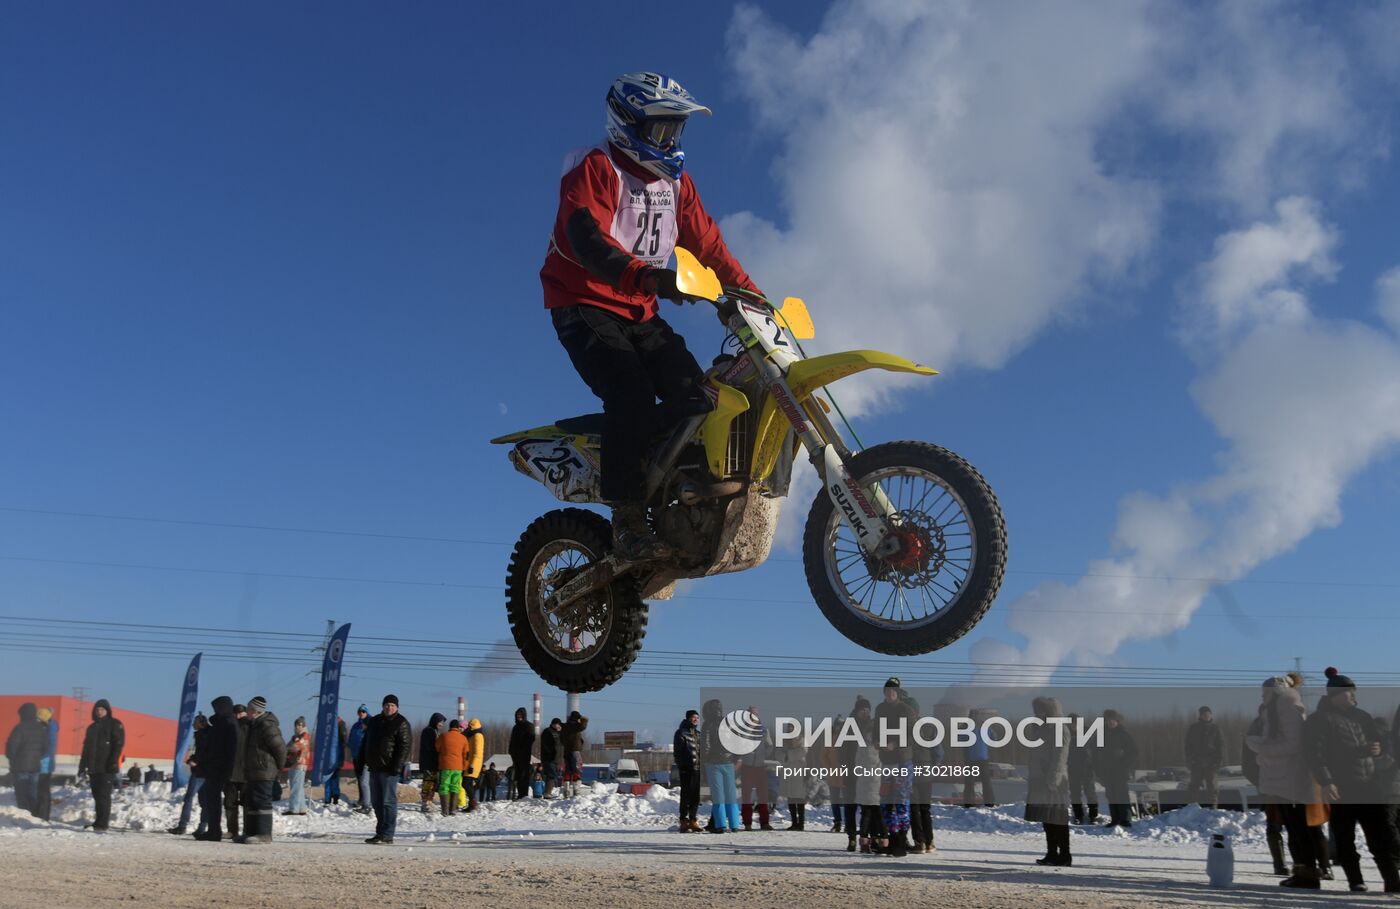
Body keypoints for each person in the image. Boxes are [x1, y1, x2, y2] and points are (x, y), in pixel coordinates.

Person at [541, 72, 763, 561]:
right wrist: (646, 277)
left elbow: (709, 247)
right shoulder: (594, 168)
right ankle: (625, 517)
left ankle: (677, 493)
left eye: (676, 131)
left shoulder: (675, 184)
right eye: (661, 130)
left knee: (696, 394)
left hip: (640, 310)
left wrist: (753, 298)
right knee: (631, 393)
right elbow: (588, 242)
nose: (670, 141)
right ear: (627, 124)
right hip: (582, 305)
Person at [1305, 667, 1400, 893]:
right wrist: (1327, 781)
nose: (1354, 697)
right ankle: (1355, 880)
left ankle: (1392, 879)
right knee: (1345, 837)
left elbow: (1381, 743)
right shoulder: (1320, 720)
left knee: (1380, 836)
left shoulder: (1363, 716)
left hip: (1369, 785)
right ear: (1335, 695)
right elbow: (1316, 756)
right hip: (1341, 787)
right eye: (1349, 693)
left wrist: (1378, 750)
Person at [1026, 696, 1072, 867]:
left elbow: (1060, 756)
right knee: (1047, 819)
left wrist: (1054, 777)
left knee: (1058, 819)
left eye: (1041, 711)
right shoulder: (1040, 728)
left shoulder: (1060, 729)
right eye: (1037, 712)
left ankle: (1065, 855)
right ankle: (1052, 852)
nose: (1038, 714)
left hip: (1055, 780)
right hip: (1040, 779)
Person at [874, 678, 916, 856]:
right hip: (886, 760)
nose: (890, 694)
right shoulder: (880, 709)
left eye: (893, 691)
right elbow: (876, 728)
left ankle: (902, 840)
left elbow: (912, 734)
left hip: (902, 760)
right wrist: (876, 741)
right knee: (885, 802)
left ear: (898, 693)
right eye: (887, 691)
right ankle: (892, 838)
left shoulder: (905, 710)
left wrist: (896, 744)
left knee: (900, 802)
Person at [362, 695, 412, 844]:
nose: (389, 708)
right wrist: (361, 760)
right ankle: (380, 832)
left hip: (390, 769)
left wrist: (397, 766)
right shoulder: (374, 721)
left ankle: (388, 833)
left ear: (396, 707)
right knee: (376, 802)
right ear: (382, 706)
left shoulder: (401, 722)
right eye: (386, 705)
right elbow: (366, 742)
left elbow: (405, 746)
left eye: (392, 705)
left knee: (388, 802)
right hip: (374, 767)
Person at [239, 696, 287, 844]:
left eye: (248, 708)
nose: (246, 711)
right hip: (253, 770)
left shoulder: (267, 725)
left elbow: (280, 748)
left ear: (255, 710)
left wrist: (278, 767)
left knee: (262, 802)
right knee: (251, 801)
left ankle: (264, 833)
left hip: (264, 770)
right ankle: (250, 832)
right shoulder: (253, 724)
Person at [78, 699, 125, 833]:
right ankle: (98, 821)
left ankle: (102, 823)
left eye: (102, 709)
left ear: (107, 711)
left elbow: (118, 744)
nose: (99, 712)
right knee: (97, 795)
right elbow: (86, 749)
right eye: (97, 709)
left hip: (107, 767)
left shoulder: (115, 724)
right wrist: (82, 766)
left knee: (104, 795)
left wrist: (113, 761)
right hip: (93, 768)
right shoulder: (91, 728)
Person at [196, 696, 239, 841]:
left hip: (220, 768)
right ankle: (214, 830)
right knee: (210, 799)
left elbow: (222, 747)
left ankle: (215, 831)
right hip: (216, 767)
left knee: (214, 800)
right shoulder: (223, 723)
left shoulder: (227, 723)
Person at [850, 696, 886, 854]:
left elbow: (857, 763)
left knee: (866, 814)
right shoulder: (876, 746)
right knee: (876, 815)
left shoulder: (862, 744)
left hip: (864, 783)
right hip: (875, 784)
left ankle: (865, 841)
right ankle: (879, 840)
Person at [698, 698, 740, 833]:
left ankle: (720, 825)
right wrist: (735, 759)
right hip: (729, 763)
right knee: (731, 795)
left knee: (718, 797)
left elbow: (705, 747)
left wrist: (704, 764)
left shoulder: (708, 724)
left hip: (713, 763)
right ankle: (735, 824)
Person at [1097, 709, 1138, 828]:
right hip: (1107, 771)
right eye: (1109, 720)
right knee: (1111, 795)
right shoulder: (1101, 734)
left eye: (1113, 720)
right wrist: (1099, 769)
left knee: (1122, 795)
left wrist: (1124, 763)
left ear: (1117, 721)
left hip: (1120, 771)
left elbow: (1134, 752)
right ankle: (1115, 819)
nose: (1111, 722)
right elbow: (1096, 752)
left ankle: (1125, 819)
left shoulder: (1123, 734)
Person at [5, 702, 47, 817]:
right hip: (35, 766)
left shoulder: (20, 728)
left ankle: (24, 815)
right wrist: (36, 757)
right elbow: (46, 748)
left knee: (21, 793)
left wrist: (12, 758)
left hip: (20, 766)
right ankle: (34, 815)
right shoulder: (41, 728)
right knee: (32, 792)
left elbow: (11, 747)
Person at [169, 713, 209, 835]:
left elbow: (204, 753)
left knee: (189, 798)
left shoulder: (203, 735)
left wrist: (194, 761)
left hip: (199, 772)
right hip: (204, 772)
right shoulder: (204, 734)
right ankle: (201, 827)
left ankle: (183, 825)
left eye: (195, 723)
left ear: (201, 723)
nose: (192, 725)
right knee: (203, 801)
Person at [1185, 706, 1224, 808]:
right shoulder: (1194, 728)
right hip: (1197, 761)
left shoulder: (1215, 728)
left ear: (1211, 715)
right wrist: (1190, 759)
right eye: (1204, 715)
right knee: (1194, 785)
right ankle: (1192, 807)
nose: (1206, 716)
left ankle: (1213, 806)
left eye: (1208, 714)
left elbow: (1220, 745)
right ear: (1200, 716)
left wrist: (1218, 760)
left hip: (1211, 761)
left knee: (1212, 786)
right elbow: (1188, 745)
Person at [962, 709, 997, 807]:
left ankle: (968, 803)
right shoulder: (985, 726)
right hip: (984, 757)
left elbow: (960, 739)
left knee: (969, 781)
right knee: (986, 781)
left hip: (971, 758)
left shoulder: (966, 727)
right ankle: (989, 802)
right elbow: (994, 737)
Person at [673, 709, 701, 832]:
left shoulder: (698, 734)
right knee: (686, 795)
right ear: (688, 718)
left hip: (697, 768)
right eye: (693, 717)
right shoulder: (681, 733)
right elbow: (677, 753)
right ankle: (683, 820)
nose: (696, 719)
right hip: (686, 769)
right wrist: (681, 766)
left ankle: (693, 820)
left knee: (695, 796)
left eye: (697, 717)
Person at [1067, 712, 1097, 824]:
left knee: (1090, 793)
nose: (1073, 725)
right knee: (1075, 794)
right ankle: (1078, 815)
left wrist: (1093, 763)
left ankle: (1093, 816)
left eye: (1075, 723)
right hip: (1073, 768)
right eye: (1071, 723)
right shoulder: (1066, 733)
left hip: (1087, 767)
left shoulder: (1087, 731)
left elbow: (1095, 749)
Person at [435, 719, 468, 816]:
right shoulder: (463, 738)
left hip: (445, 765)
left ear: (449, 727)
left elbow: (437, 747)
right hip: (458, 767)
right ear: (458, 727)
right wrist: (464, 767)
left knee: (444, 786)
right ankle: (453, 809)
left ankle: (445, 810)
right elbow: (466, 755)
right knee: (455, 786)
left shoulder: (443, 736)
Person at [283, 716, 312, 816]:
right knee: (298, 787)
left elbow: (296, 746)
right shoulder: (298, 736)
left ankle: (294, 808)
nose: (296, 727)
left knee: (295, 786)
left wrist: (288, 746)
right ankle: (301, 808)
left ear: (302, 725)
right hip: (296, 763)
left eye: (299, 725)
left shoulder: (304, 735)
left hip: (299, 763)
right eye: (296, 725)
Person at [418, 712, 445, 815]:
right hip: (429, 761)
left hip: (433, 762)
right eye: (440, 722)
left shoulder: (434, 731)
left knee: (432, 783)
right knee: (428, 783)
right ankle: (425, 803)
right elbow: (429, 747)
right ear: (435, 721)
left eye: (442, 723)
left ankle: (429, 801)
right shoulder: (429, 731)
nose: (441, 725)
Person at [347, 704, 372, 813]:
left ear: (367, 713)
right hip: (356, 756)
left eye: (363, 711)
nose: (361, 713)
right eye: (360, 711)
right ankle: (362, 800)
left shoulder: (370, 724)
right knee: (359, 780)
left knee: (364, 782)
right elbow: (351, 739)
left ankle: (367, 805)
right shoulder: (356, 725)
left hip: (366, 758)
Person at [34, 706, 57, 822]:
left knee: (43, 791)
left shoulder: (49, 728)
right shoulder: (47, 727)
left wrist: (38, 757)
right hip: (42, 764)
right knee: (41, 791)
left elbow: (50, 747)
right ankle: (41, 814)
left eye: (39, 718)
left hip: (45, 765)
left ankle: (43, 815)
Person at [509, 707, 536, 802]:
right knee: (518, 774)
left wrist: (523, 747)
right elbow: (512, 740)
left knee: (524, 774)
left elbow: (531, 738)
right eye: (517, 715)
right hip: (515, 754)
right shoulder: (515, 727)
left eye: (520, 715)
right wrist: (511, 751)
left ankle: (524, 794)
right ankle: (520, 794)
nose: (519, 717)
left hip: (524, 754)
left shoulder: (528, 726)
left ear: (524, 715)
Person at [560, 711, 588, 799]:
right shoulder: (575, 726)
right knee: (577, 770)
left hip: (566, 751)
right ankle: (576, 790)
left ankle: (566, 790)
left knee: (567, 771)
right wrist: (584, 719)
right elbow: (583, 726)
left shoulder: (564, 726)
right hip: (575, 750)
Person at [324, 716, 349, 806]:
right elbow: (344, 740)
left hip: (332, 756)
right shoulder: (340, 724)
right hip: (335, 756)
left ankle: (330, 797)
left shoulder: (330, 725)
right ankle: (333, 797)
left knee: (330, 776)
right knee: (333, 776)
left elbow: (343, 740)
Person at [541, 717, 563, 799]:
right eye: (556, 724)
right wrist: (550, 753)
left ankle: (547, 792)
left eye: (558, 724)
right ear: (553, 724)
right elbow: (546, 745)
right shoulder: (548, 731)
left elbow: (561, 745)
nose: (557, 726)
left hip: (557, 758)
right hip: (549, 758)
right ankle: (547, 793)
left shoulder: (559, 733)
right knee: (551, 774)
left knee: (552, 775)